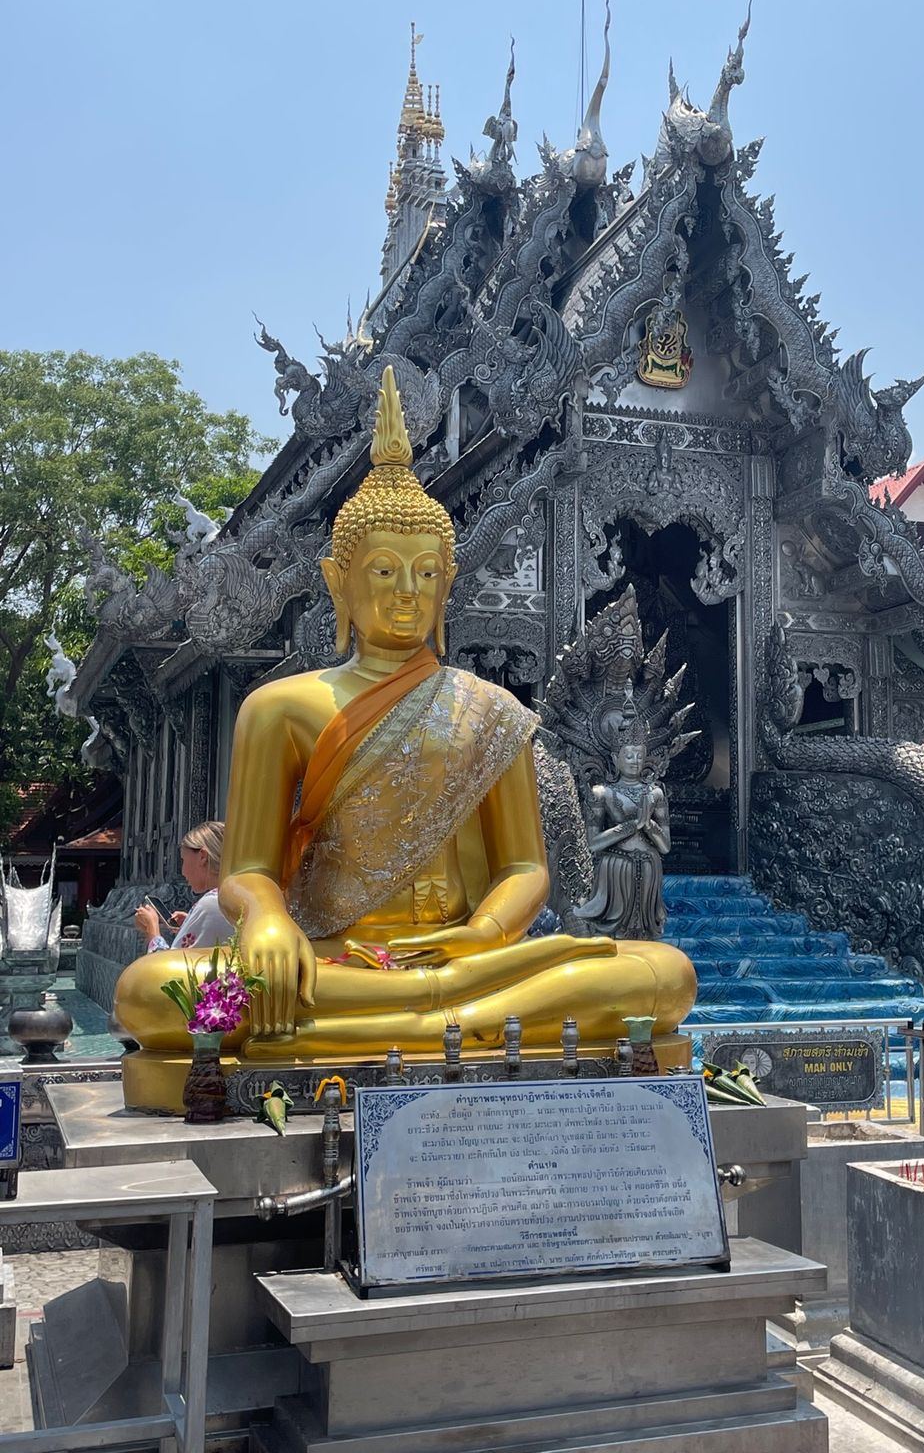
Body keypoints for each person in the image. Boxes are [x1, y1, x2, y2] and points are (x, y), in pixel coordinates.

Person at [114, 368, 695, 1101]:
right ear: (338, 581)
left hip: (467, 960)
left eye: (427, 574)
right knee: (150, 990)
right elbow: (247, 868)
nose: (406, 593)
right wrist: (263, 918)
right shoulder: (281, 707)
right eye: (384, 570)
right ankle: (456, 1025)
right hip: (328, 962)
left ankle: (415, 1019)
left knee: (662, 977)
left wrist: (480, 940)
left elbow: (525, 871)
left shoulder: (489, 709)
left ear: (448, 584)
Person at [573, 691, 670, 941]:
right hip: (614, 869)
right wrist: (630, 826)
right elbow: (593, 843)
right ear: (616, 759)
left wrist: (647, 825)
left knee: (645, 936)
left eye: (639, 755)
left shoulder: (656, 793)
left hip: (649, 868)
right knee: (616, 936)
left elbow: (665, 846)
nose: (635, 761)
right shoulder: (602, 793)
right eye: (629, 755)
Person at [133, 822, 236, 953]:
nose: (182, 871)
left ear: (203, 857)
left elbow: (168, 969)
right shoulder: (232, 897)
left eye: (183, 860)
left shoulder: (211, 904)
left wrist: (152, 929)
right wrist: (193, 921)